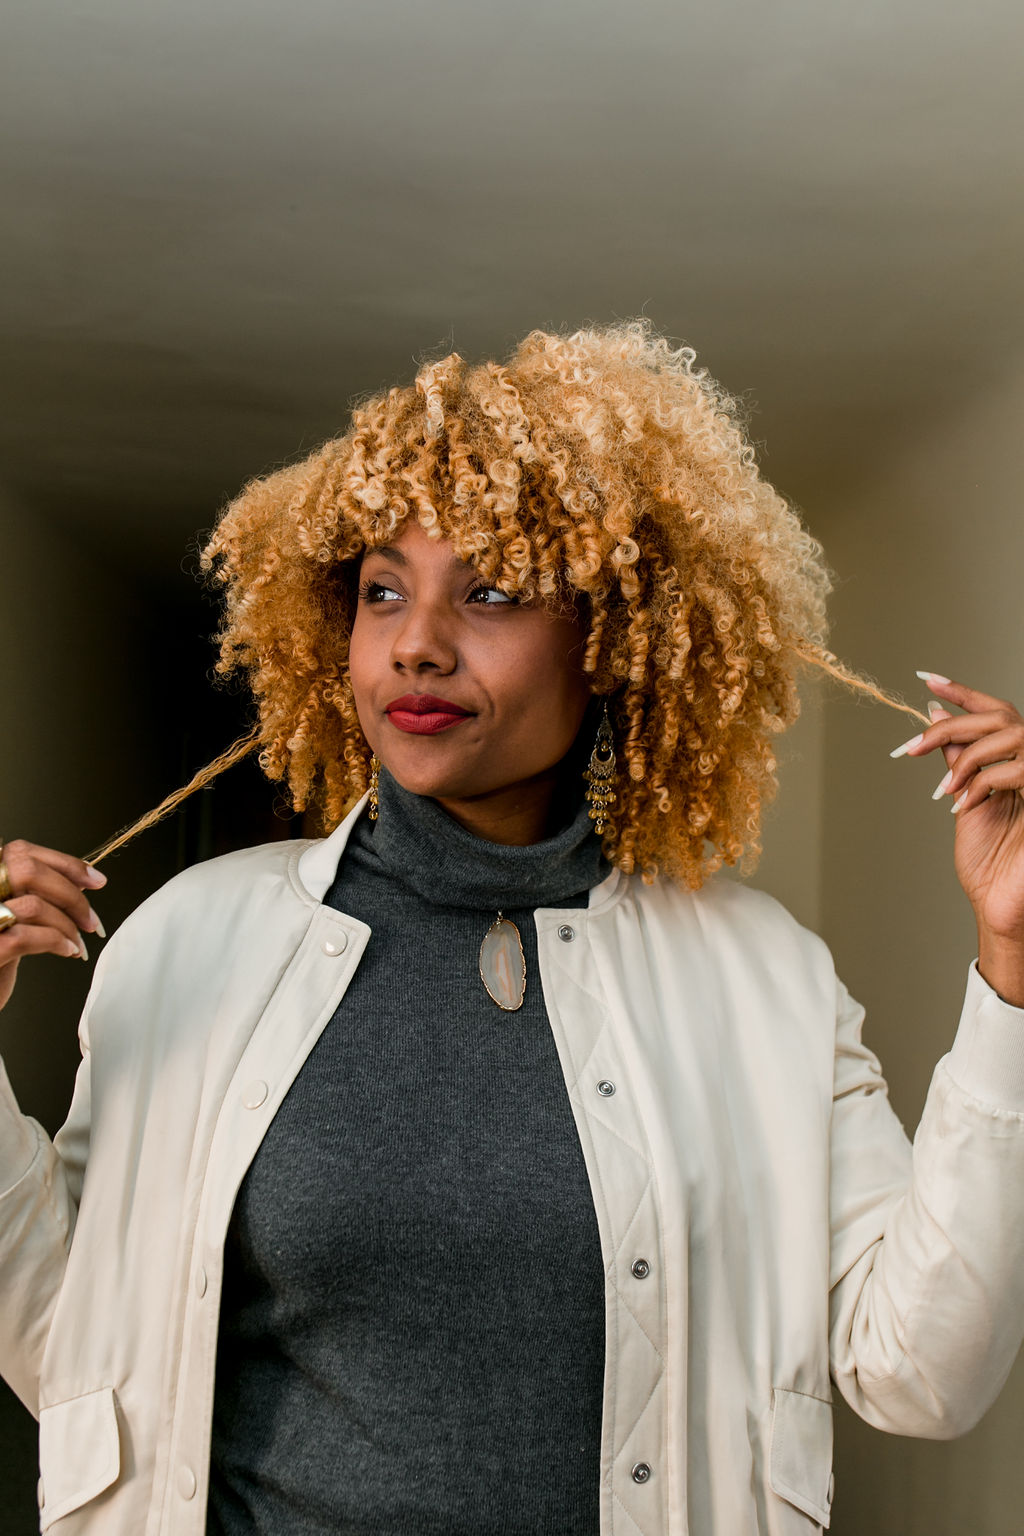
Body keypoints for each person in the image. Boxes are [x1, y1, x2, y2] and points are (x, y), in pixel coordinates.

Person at [0, 321, 1023, 1536]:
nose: (417, 642)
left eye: (489, 591)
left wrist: (1011, 970)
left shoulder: (764, 980)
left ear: (612, 638)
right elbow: (71, 1345)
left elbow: (919, 1373)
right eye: (383, 591)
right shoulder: (187, 942)